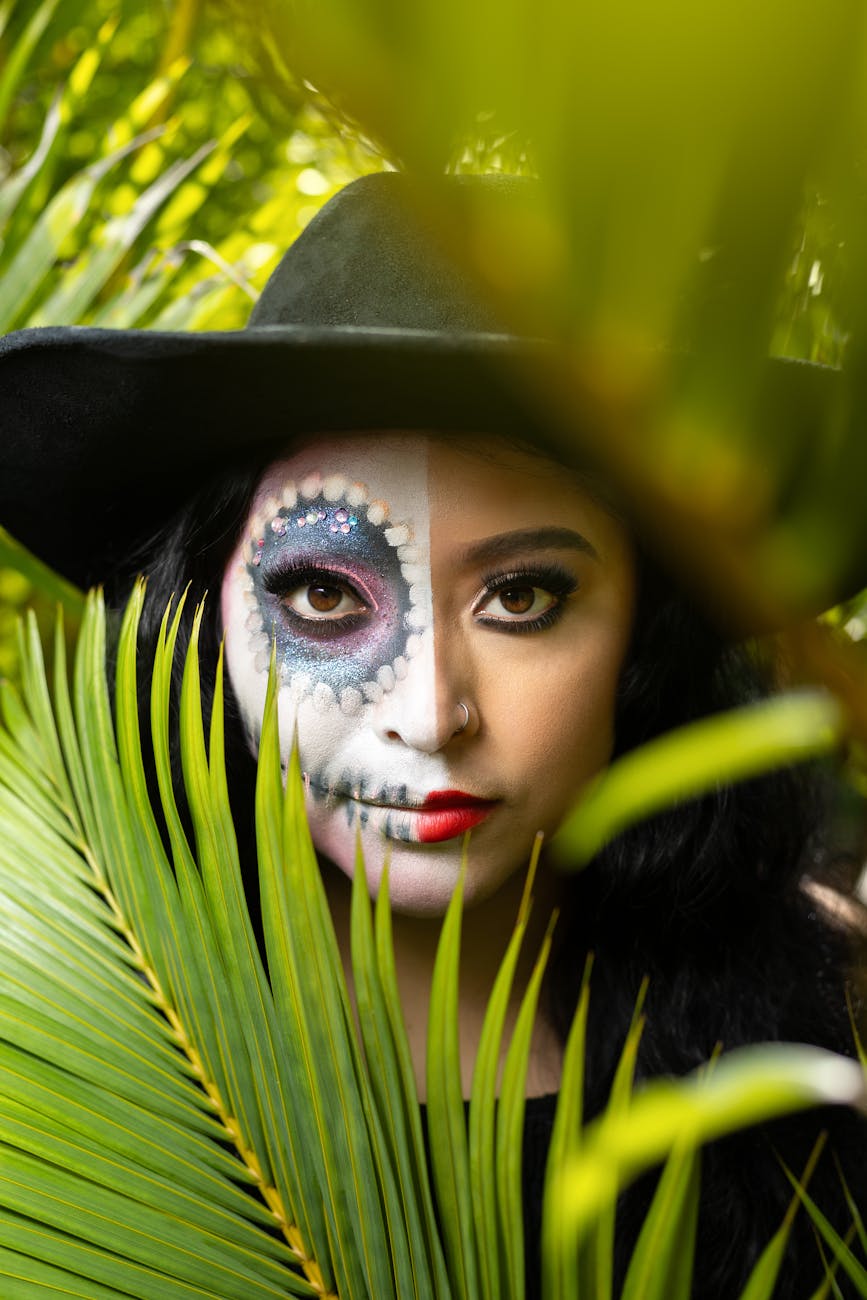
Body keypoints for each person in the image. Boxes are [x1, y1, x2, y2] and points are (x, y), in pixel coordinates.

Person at [2, 170, 867, 1297]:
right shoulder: (57, 1061)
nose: (427, 715)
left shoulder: (814, 1027)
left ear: (645, 646)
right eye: (321, 597)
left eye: (522, 597)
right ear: (201, 618)